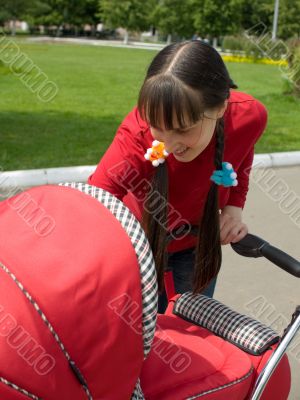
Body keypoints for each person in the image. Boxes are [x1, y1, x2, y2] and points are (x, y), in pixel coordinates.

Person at [87, 40, 268, 313]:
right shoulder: (135, 138)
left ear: (220, 109)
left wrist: (233, 208)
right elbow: (93, 205)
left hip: (198, 246)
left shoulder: (250, 116)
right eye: (158, 127)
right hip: (138, 248)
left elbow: (242, 156)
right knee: (139, 336)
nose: (169, 146)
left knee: (191, 332)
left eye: (183, 130)